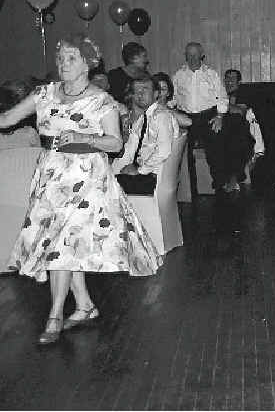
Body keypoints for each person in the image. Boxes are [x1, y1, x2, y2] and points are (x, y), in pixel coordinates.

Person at [0, 35, 161, 344]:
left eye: (71, 58)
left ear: (88, 63)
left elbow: (115, 143)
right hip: (51, 177)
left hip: (86, 179)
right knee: (64, 242)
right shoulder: (44, 93)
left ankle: (55, 315)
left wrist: (83, 138)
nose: (63, 64)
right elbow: (6, 119)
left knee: (61, 243)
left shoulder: (100, 99)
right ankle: (84, 306)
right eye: (60, 59)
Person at [171, 42, 240, 193]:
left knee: (217, 146)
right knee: (180, 148)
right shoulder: (178, 75)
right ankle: (187, 189)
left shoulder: (211, 74)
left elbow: (222, 97)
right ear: (186, 56)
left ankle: (220, 184)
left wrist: (220, 116)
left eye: (195, 55)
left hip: (208, 116)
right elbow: (173, 99)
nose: (192, 58)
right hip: (185, 118)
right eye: (189, 55)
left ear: (202, 55)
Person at [112, 75, 178, 194]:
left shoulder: (162, 116)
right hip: (145, 173)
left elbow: (164, 151)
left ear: (156, 94)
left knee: (103, 188)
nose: (139, 94)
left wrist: (139, 171)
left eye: (145, 89)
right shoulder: (143, 118)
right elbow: (129, 150)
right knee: (103, 180)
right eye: (136, 91)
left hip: (153, 177)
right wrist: (112, 171)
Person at [224, 69, 265, 182]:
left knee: (238, 133)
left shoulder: (242, 93)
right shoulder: (224, 95)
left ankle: (240, 174)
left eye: (232, 78)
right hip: (232, 131)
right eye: (227, 78)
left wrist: (220, 106)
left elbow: (239, 111)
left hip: (247, 130)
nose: (229, 81)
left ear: (239, 82)